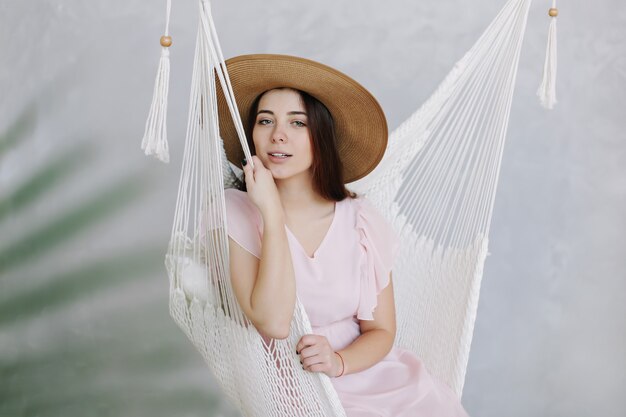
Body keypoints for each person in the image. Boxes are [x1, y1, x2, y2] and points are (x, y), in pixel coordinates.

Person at [219, 54, 469, 417]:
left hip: (373, 379)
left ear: (321, 136)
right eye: (265, 120)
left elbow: (381, 331)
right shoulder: (234, 213)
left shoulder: (361, 221)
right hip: (296, 388)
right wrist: (271, 214)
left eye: (298, 122)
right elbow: (273, 323)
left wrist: (338, 361)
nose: (278, 135)